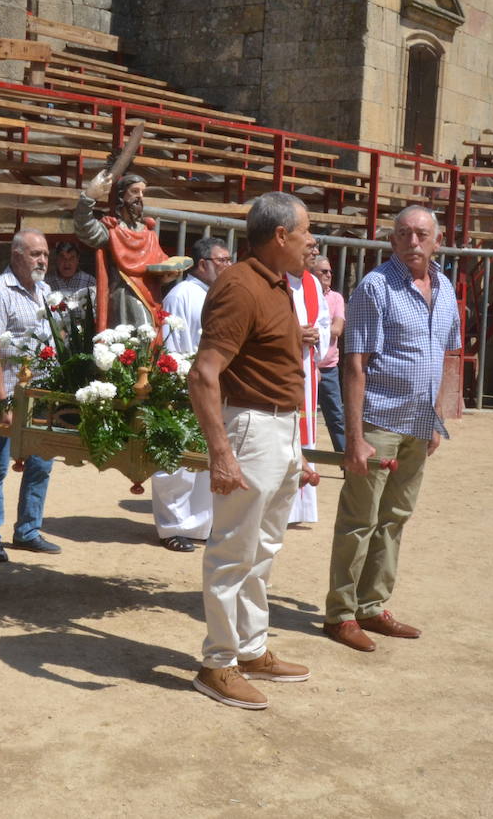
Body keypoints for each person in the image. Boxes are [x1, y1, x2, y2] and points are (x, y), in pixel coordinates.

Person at [187, 192, 316, 711]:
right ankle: (218, 663)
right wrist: (221, 452)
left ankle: (251, 647)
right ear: (280, 236)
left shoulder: (277, 284)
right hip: (252, 427)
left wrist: (295, 447)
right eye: (306, 231)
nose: (313, 241)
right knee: (233, 551)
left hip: (279, 428)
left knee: (263, 548)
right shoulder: (239, 287)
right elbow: (204, 374)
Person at [323, 206, 461, 653]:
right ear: (392, 241)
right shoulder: (374, 287)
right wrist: (355, 436)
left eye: (421, 234)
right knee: (359, 520)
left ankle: (372, 605)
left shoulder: (444, 288)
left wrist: (437, 419)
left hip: (418, 425)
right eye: (403, 234)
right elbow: (355, 365)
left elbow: (445, 357)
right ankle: (341, 614)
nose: (412, 241)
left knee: (394, 520)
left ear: (437, 241)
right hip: (378, 421)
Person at [0, 229, 60, 562]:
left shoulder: (46, 292)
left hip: (41, 397)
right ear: (16, 255)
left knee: (41, 464)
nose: (42, 260)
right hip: (5, 395)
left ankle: (27, 531)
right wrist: (2, 403)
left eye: (45, 255)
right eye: (36, 253)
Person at [150, 236, 230, 552]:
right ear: (203, 263)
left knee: (203, 460)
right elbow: (170, 343)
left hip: (212, 387)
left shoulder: (214, 295)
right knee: (177, 464)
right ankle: (170, 526)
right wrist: (179, 383)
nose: (228, 266)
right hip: (184, 386)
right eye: (222, 260)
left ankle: (197, 525)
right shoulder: (182, 294)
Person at [74, 171, 191, 328]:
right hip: (125, 298)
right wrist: (88, 197)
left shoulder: (148, 234)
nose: (140, 197)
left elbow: (157, 270)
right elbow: (84, 227)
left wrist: (166, 277)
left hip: (151, 297)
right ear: (121, 196)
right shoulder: (112, 231)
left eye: (142, 193)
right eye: (135, 191)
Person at [286, 249, 330, 527]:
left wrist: (317, 335)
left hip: (305, 368)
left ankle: (299, 510)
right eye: (308, 242)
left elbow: (323, 321)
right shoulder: (273, 277)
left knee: (304, 437)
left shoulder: (312, 283)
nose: (314, 250)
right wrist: (294, 333)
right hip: (279, 368)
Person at [312, 254, 346, 451]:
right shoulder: (304, 295)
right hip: (308, 366)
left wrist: (312, 331)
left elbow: (337, 329)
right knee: (301, 417)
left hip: (328, 367)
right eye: (324, 271)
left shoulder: (336, 298)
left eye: (330, 271)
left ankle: (345, 462)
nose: (328, 275)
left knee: (336, 417)